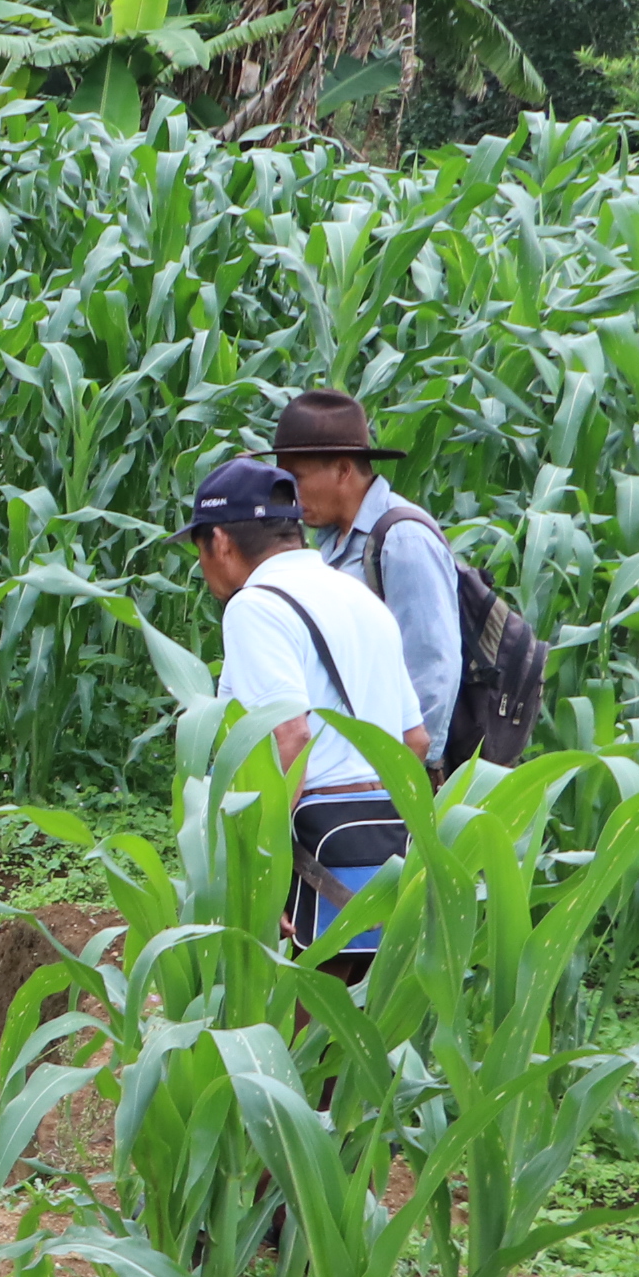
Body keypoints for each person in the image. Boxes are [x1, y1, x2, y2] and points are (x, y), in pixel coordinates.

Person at [187, 456, 428, 973]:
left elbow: (289, 737)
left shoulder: (255, 607)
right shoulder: (360, 597)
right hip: (388, 853)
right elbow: (415, 740)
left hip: (313, 856)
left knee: (304, 1036)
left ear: (222, 542)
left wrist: (263, 870)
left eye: (199, 547)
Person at [277, 390, 459, 771]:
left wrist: (415, 772)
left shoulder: (402, 540)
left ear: (343, 470)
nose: (290, 494)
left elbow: (432, 667)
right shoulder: (332, 541)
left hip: (396, 770)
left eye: (296, 477)